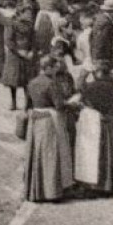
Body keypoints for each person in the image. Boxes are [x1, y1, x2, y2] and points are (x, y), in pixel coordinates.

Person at [74, 60, 113, 196]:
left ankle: (97, 185)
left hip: (97, 121)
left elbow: (81, 91)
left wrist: (84, 74)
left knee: (97, 154)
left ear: (97, 73)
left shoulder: (91, 87)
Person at [23, 55, 76, 202]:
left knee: (37, 155)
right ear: (47, 68)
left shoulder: (31, 83)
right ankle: (52, 191)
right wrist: (71, 103)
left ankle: (36, 189)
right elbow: (58, 104)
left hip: (35, 120)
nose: (55, 70)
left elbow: (27, 105)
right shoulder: (51, 84)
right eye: (54, 67)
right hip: (50, 121)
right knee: (52, 154)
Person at [1, 3, 37, 110]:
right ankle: (13, 101)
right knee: (13, 80)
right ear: (20, 13)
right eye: (27, 13)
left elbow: (34, 40)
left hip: (27, 53)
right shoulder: (12, 24)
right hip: (15, 55)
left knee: (27, 79)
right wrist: (18, 51)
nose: (29, 15)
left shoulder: (31, 26)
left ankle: (28, 101)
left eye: (30, 13)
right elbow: (8, 40)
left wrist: (32, 51)